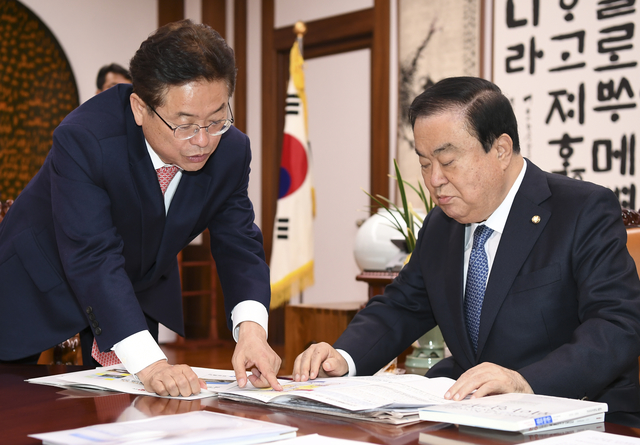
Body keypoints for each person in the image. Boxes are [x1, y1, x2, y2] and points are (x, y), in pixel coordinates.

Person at [293, 77, 640, 416]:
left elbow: (617, 323)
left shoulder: (580, 210)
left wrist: (525, 382)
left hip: (574, 412)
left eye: (447, 162)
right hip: (467, 412)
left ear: (501, 150)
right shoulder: (441, 224)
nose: (434, 180)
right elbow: (403, 306)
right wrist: (344, 357)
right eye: (424, 164)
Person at [0, 19, 282, 396]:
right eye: (185, 124)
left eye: (216, 120)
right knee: (17, 409)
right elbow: (92, 253)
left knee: (132, 412)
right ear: (139, 107)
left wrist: (252, 331)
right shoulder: (85, 138)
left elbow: (239, 244)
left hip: (130, 294)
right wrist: (151, 362)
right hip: (39, 286)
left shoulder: (230, 150)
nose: (203, 141)